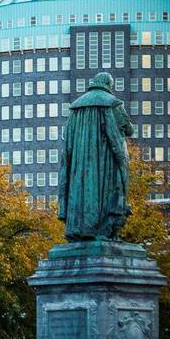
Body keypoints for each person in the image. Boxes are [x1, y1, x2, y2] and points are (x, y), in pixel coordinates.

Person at [57, 71, 134, 241]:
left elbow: (67, 140)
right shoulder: (112, 103)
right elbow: (129, 130)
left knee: (82, 191)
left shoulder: (75, 108)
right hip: (104, 161)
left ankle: (81, 229)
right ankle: (101, 230)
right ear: (108, 85)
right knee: (106, 191)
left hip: (79, 165)